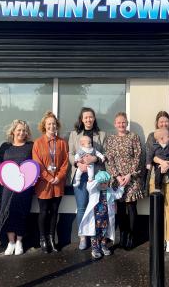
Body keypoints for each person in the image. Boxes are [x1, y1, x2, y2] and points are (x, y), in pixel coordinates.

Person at [145, 111, 169, 253]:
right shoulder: (152, 136)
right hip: (156, 178)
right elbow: (150, 154)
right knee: (157, 209)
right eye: (161, 121)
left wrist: (168, 164)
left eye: (166, 121)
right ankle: (158, 238)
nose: (164, 123)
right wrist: (162, 162)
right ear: (157, 123)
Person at [69, 107, 107, 250]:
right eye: (85, 117)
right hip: (80, 175)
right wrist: (79, 163)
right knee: (82, 207)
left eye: (91, 117)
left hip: (96, 176)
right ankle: (83, 237)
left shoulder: (101, 135)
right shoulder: (74, 135)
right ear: (81, 119)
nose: (88, 119)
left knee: (96, 207)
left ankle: (95, 237)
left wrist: (95, 158)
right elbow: (70, 153)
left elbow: (105, 154)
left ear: (94, 118)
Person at [0, 119, 34, 256]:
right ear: (13, 131)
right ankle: (11, 242)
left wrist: (33, 178)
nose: (21, 133)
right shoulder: (5, 146)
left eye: (24, 130)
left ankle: (19, 241)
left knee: (21, 212)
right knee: (7, 212)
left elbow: (35, 165)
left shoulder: (31, 146)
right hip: (6, 187)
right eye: (19, 130)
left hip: (24, 186)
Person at [105, 112, 142, 250]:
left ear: (126, 123)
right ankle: (123, 236)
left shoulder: (133, 137)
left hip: (131, 179)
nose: (121, 124)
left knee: (131, 207)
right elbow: (109, 159)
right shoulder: (111, 139)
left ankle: (132, 237)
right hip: (118, 180)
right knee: (120, 208)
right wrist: (117, 176)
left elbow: (138, 156)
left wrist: (129, 175)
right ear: (115, 124)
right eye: (118, 122)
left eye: (123, 122)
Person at [33, 111, 69, 253]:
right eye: (49, 124)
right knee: (43, 212)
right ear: (44, 126)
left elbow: (66, 162)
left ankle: (51, 239)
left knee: (54, 212)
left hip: (58, 183)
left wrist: (58, 177)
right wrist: (49, 178)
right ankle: (43, 239)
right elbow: (37, 164)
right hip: (44, 184)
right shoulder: (38, 143)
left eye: (54, 124)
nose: (52, 126)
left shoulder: (62, 143)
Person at [78, 171, 124, 260]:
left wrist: (122, 186)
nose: (103, 185)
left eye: (105, 183)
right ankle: (95, 249)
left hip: (105, 218)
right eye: (101, 183)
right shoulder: (94, 190)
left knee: (104, 233)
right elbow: (89, 186)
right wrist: (97, 180)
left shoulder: (110, 191)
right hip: (95, 218)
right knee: (94, 234)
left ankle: (103, 246)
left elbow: (118, 195)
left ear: (108, 182)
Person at [147, 128, 169, 199]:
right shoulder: (154, 146)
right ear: (161, 139)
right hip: (159, 165)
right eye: (167, 136)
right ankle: (158, 188)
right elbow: (150, 155)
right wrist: (148, 163)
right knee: (158, 175)